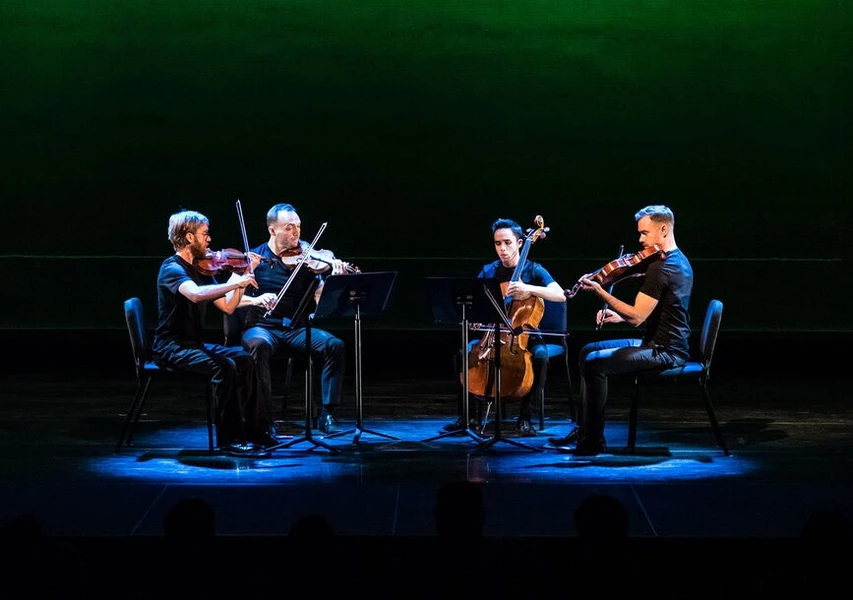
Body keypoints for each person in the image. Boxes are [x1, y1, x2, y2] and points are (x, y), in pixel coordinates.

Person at [548, 205, 693, 455]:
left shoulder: (663, 268)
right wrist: (619, 316)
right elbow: (658, 312)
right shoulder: (676, 260)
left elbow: (637, 317)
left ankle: (591, 443)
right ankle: (585, 429)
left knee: (595, 363)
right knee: (587, 352)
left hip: (666, 351)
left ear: (664, 229)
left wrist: (601, 292)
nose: (640, 239)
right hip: (655, 341)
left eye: (645, 233)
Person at [152, 209, 268, 456]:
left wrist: (243, 275)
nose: (210, 240)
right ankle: (229, 439)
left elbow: (228, 306)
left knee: (244, 359)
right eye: (205, 234)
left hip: (193, 344)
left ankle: (256, 430)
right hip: (171, 347)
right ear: (189, 237)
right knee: (224, 367)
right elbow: (194, 294)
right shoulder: (172, 268)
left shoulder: (202, 268)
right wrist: (236, 282)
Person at [442, 217, 566, 437]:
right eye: (498, 243)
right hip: (490, 335)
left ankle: (525, 418)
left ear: (520, 243)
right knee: (461, 354)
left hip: (524, 336)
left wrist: (529, 288)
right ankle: (467, 417)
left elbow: (560, 295)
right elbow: (473, 303)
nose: (502, 249)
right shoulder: (489, 271)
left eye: (507, 243)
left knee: (541, 358)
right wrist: (474, 318)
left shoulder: (533, 270)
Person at [238, 202, 348, 436]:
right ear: (272, 230)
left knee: (334, 346)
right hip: (262, 327)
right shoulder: (254, 259)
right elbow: (230, 300)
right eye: (288, 228)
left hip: (296, 329)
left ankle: (327, 414)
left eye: (298, 227)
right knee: (258, 346)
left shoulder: (308, 260)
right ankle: (264, 420)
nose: (296, 233)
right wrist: (256, 301)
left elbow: (321, 304)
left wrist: (332, 281)